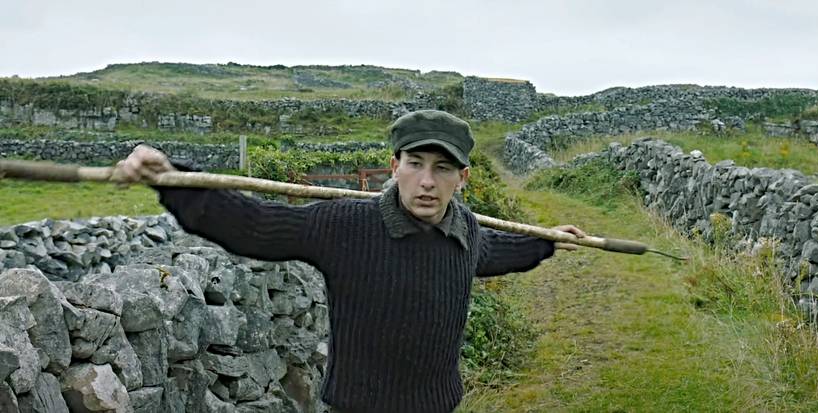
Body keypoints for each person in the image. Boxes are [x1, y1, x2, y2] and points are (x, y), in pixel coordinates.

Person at [116, 109, 585, 413]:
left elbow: (496, 251)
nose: (427, 181)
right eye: (415, 164)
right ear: (395, 167)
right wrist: (173, 179)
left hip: (439, 405)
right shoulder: (344, 224)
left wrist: (546, 242)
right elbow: (253, 225)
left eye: (442, 168)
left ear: (462, 178)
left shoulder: (465, 231)